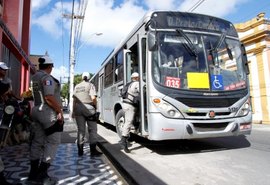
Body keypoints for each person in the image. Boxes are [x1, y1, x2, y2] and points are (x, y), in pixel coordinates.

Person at [28, 56, 64, 185]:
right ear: (50, 67)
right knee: (53, 141)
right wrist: (59, 110)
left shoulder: (34, 77)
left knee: (37, 142)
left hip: (36, 110)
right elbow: (49, 97)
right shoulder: (47, 78)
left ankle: (33, 174)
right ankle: (42, 175)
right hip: (47, 113)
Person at [72, 72, 102, 157]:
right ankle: (93, 151)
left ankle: (80, 152)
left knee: (81, 130)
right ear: (88, 78)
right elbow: (93, 98)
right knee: (92, 130)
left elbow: (74, 100)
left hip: (78, 108)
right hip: (88, 108)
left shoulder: (77, 86)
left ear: (82, 77)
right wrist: (95, 107)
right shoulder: (90, 85)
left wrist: (74, 111)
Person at [120, 72, 140, 153]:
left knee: (129, 121)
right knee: (128, 122)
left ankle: (131, 136)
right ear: (137, 77)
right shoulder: (136, 83)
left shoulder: (128, 84)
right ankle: (123, 141)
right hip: (130, 105)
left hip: (125, 104)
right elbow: (141, 91)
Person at [0, 62, 13, 185]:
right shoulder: (3, 83)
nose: (5, 72)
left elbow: (8, 95)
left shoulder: (6, 81)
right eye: (3, 70)